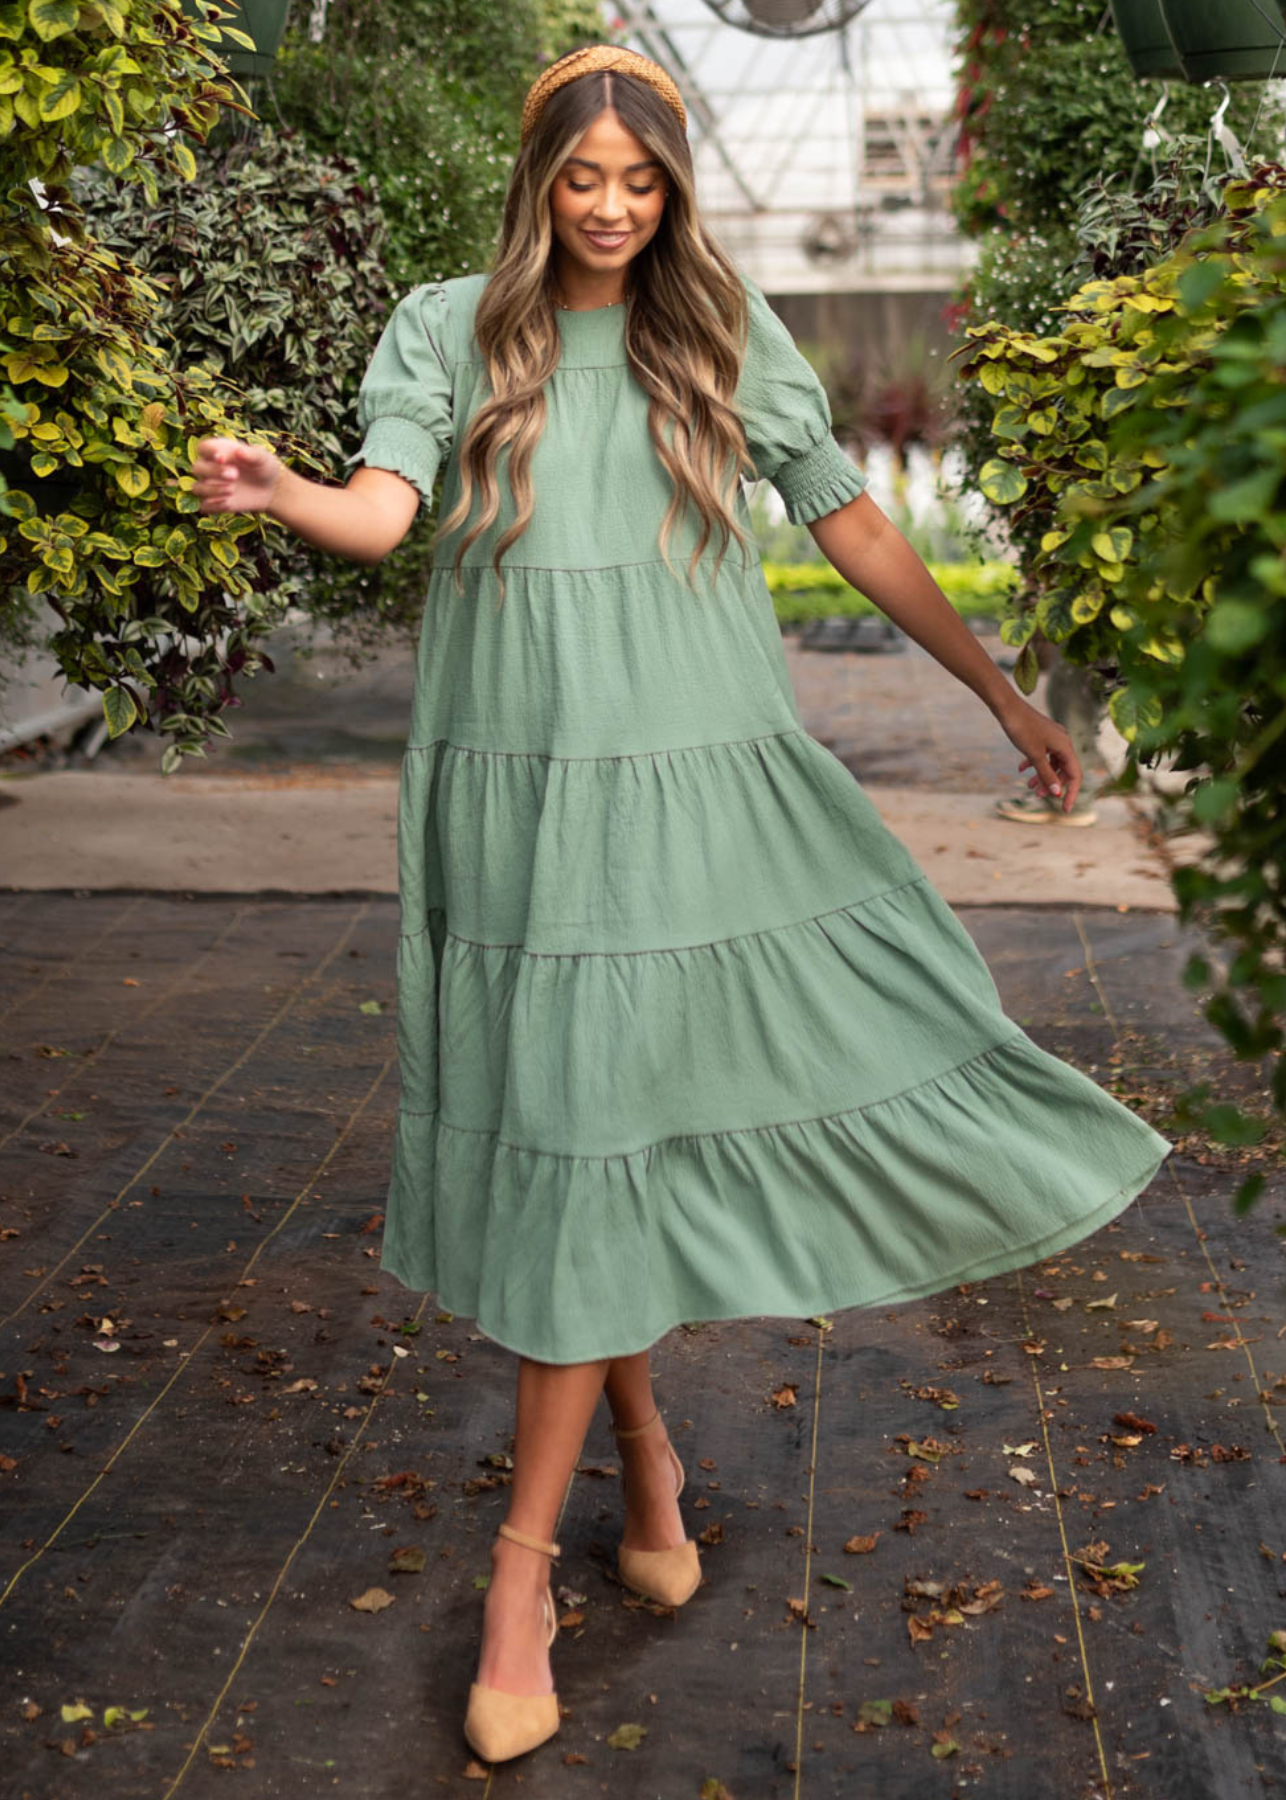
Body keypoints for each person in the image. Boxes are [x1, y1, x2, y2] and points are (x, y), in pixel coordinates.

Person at [190, 42, 1174, 1767]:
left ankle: (517, 1579)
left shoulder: (718, 332)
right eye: (586, 181)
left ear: (673, 190)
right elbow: (383, 506)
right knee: (584, 1129)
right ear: (538, 177)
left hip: (695, 790)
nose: (612, 210)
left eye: (642, 185)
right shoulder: (447, 328)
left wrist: (998, 693)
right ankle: (642, 1456)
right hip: (520, 790)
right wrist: (284, 496)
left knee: (599, 1123)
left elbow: (851, 527)